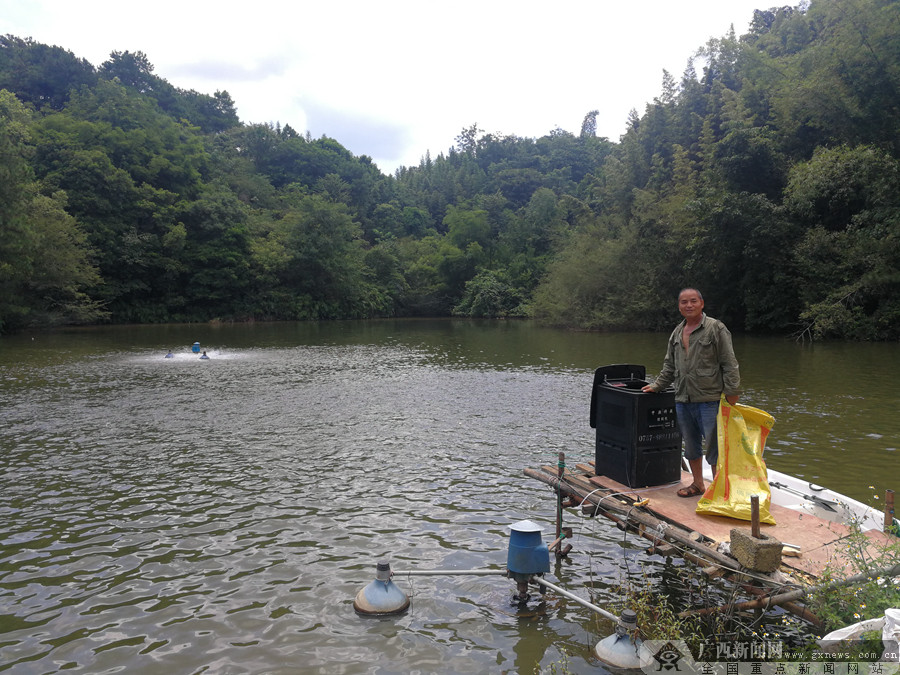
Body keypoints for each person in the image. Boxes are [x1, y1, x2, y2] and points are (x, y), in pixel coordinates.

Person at [641, 288, 741, 498]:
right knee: (691, 445)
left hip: (710, 400)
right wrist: (657, 386)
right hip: (683, 399)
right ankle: (698, 485)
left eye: (693, 301)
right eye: (684, 302)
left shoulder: (715, 328)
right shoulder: (677, 332)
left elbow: (729, 363)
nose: (688, 305)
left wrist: (732, 394)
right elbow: (669, 365)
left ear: (701, 303)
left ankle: (719, 491)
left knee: (715, 447)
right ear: (679, 306)